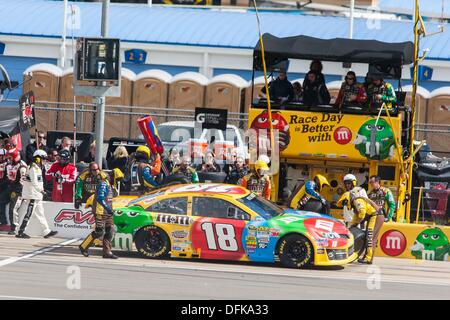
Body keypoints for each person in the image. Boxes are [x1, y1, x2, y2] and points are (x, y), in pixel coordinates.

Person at [339, 174, 384, 264]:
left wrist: (356, 222)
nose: (344, 203)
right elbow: (357, 215)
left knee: (370, 236)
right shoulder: (355, 198)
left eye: (345, 202)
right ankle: (366, 256)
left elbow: (362, 214)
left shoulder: (356, 200)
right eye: (346, 183)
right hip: (373, 215)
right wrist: (353, 225)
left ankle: (368, 258)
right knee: (367, 236)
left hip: (376, 215)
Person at [15, 150, 58, 239]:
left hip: (37, 195)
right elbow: (35, 183)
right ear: (37, 158)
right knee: (29, 213)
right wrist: (42, 191)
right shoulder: (33, 168)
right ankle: (20, 231)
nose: (44, 160)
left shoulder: (37, 167)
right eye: (43, 158)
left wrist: (41, 192)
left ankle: (46, 231)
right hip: (32, 195)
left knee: (40, 213)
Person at [79, 170, 118, 259]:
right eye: (116, 178)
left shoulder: (108, 184)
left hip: (107, 212)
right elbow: (100, 198)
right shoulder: (104, 184)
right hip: (100, 211)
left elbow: (112, 196)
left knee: (110, 231)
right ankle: (83, 246)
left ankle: (107, 252)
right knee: (99, 231)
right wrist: (108, 209)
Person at [6, 149, 27, 235]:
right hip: (12, 188)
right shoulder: (10, 165)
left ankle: (14, 228)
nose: (9, 159)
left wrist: (21, 193)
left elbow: (23, 182)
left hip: (19, 190)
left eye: (11, 157)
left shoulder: (22, 167)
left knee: (13, 208)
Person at [0, 149, 9, 229]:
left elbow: (8, 179)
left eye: (1, 156)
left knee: (1, 201)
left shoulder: (8, 165)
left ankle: (4, 222)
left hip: (7, 187)